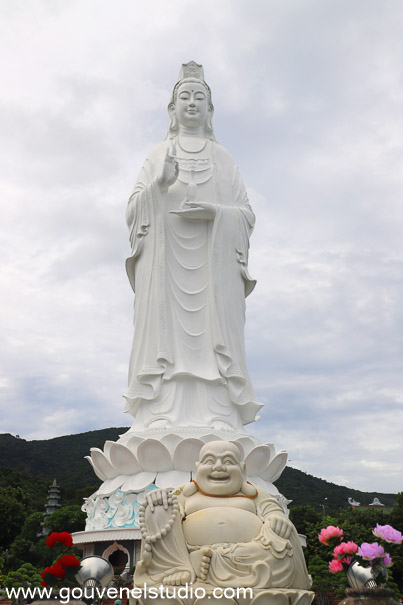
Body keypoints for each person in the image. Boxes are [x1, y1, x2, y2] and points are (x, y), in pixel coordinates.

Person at [124, 62, 262, 433]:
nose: (191, 103)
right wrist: (159, 186)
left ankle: (220, 415)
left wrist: (215, 213)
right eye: (183, 97)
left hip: (212, 267)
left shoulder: (224, 158)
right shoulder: (158, 154)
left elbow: (246, 214)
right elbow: (133, 210)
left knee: (215, 339)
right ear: (172, 109)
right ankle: (158, 416)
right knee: (164, 339)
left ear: (210, 109)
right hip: (165, 263)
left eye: (199, 97)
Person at [134, 441, 312, 597]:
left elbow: (271, 508)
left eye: (228, 461)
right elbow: (167, 513)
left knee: (282, 544)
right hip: (185, 555)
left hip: (250, 556)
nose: (218, 467)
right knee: (157, 508)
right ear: (197, 469)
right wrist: (157, 499)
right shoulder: (185, 493)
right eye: (210, 461)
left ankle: (205, 564)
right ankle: (180, 566)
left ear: (242, 470)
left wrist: (276, 516)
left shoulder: (254, 493)